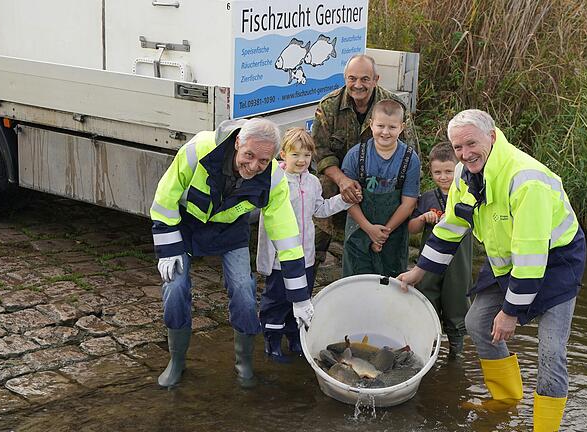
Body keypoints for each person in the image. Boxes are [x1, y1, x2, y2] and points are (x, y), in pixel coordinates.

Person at [398, 109, 586, 431]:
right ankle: (506, 400)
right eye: (458, 147)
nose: (465, 153)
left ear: (493, 136)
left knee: (551, 352)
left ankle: (545, 428)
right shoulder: (463, 173)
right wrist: (420, 271)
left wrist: (511, 312)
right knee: (477, 322)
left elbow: (531, 256)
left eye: (471, 143)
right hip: (509, 261)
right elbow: (452, 225)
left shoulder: (526, 180)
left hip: (556, 263)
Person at [150, 118, 313, 388]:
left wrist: (299, 298)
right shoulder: (197, 150)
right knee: (175, 287)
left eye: (263, 160)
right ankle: (176, 360)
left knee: (244, 291)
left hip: (230, 230)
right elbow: (164, 199)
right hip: (185, 225)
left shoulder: (274, 178)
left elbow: (287, 238)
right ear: (237, 142)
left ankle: (244, 364)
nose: (253, 166)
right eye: (248, 155)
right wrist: (167, 250)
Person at [312, 54, 419, 268]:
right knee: (322, 198)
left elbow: (410, 151)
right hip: (340, 177)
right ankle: (314, 265)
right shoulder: (329, 106)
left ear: (376, 79)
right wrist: (342, 180)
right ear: (345, 78)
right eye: (352, 79)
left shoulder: (394, 106)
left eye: (364, 79)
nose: (357, 85)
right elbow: (320, 152)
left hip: (383, 178)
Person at [256, 128, 351, 363]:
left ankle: (295, 336)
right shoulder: (274, 182)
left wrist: (343, 200)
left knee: (302, 297)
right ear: (282, 155)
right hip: (280, 257)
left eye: (307, 156)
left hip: (305, 255)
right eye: (295, 155)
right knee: (277, 299)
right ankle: (272, 340)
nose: (301, 161)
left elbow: (319, 210)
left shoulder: (313, 183)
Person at [407, 142, 473, 360]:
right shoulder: (426, 198)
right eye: (437, 172)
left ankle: (456, 353)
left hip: (458, 263)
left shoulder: (467, 194)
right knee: (427, 298)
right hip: (429, 263)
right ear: (431, 172)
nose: (443, 177)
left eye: (448, 171)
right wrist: (422, 218)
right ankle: (429, 351)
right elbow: (412, 228)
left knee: (457, 302)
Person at [341, 99, 420, 277]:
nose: (385, 132)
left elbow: (408, 204)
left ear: (402, 127)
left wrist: (383, 234)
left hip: (393, 235)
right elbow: (347, 200)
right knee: (356, 285)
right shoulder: (355, 155)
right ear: (371, 125)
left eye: (392, 127)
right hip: (359, 231)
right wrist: (369, 229)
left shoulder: (410, 159)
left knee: (390, 286)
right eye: (380, 126)